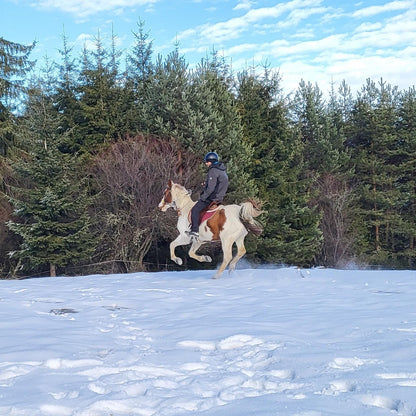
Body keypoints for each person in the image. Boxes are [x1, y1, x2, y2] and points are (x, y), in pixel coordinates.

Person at [186, 152, 229, 239]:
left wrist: (203, 197)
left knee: (195, 210)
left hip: (212, 198)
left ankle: (194, 231)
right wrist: (206, 184)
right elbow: (218, 183)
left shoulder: (213, 170)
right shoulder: (222, 170)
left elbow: (211, 189)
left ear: (211, 162)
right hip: (219, 197)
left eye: (207, 162)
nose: (206, 163)